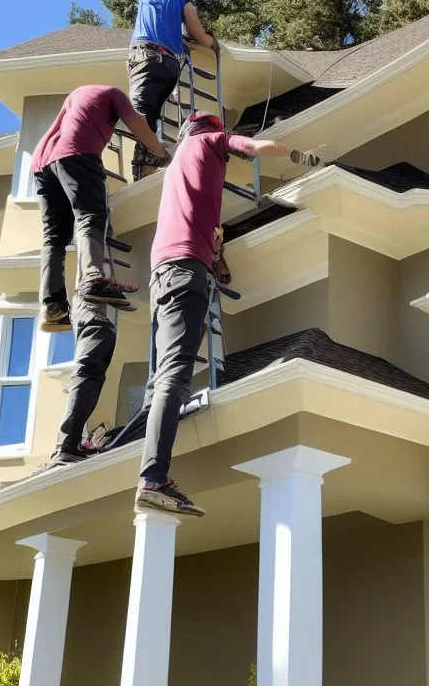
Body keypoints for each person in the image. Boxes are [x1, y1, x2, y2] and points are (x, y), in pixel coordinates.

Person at [135, 111, 321, 516]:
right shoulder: (209, 142)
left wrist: (213, 246)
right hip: (186, 271)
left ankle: (148, 451)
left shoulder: (176, 167)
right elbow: (255, 148)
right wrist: (300, 156)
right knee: (175, 375)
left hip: (162, 274)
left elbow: (194, 218)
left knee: (168, 367)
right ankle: (153, 478)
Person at [33, 85, 169, 332]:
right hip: (77, 152)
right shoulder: (113, 93)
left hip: (41, 163)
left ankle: (53, 306)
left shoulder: (78, 95)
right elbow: (137, 125)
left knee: (54, 236)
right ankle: (93, 279)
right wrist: (163, 153)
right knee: (90, 215)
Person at [128, 0, 216, 172]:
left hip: (151, 56)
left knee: (141, 115)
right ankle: (151, 165)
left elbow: (198, 31)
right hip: (167, 64)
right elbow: (201, 35)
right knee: (150, 119)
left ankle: (145, 168)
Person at [36, 295, 117, 473]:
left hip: (91, 313)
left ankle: (68, 446)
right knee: (89, 372)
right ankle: (66, 447)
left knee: (92, 374)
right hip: (92, 313)